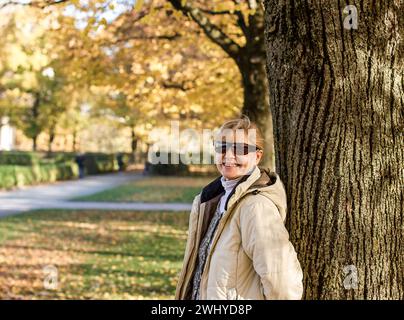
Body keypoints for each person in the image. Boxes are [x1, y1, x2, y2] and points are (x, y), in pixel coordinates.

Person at [175, 116, 303, 300]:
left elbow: (282, 281)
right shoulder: (213, 200)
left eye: (241, 149)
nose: (228, 156)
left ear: (257, 156)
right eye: (222, 147)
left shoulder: (256, 207)